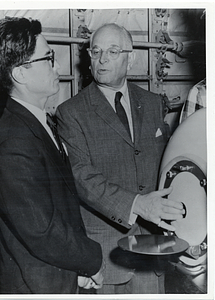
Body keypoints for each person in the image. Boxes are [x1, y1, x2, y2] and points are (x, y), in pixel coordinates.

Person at [56, 23, 185, 294]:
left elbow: (169, 166)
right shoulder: (71, 112)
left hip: (153, 251)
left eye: (113, 51)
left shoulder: (151, 103)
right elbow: (81, 177)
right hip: (107, 258)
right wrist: (137, 204)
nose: (102, 59)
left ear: (131, 57)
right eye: (96, 51)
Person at [0, 16, 104, 294]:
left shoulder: (35, 123)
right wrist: (92, 260)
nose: (58, 66)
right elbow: (42, 230)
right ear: (20, 73)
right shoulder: (14, 143)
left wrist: (76, 271)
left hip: (57, 278)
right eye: (48, 58)